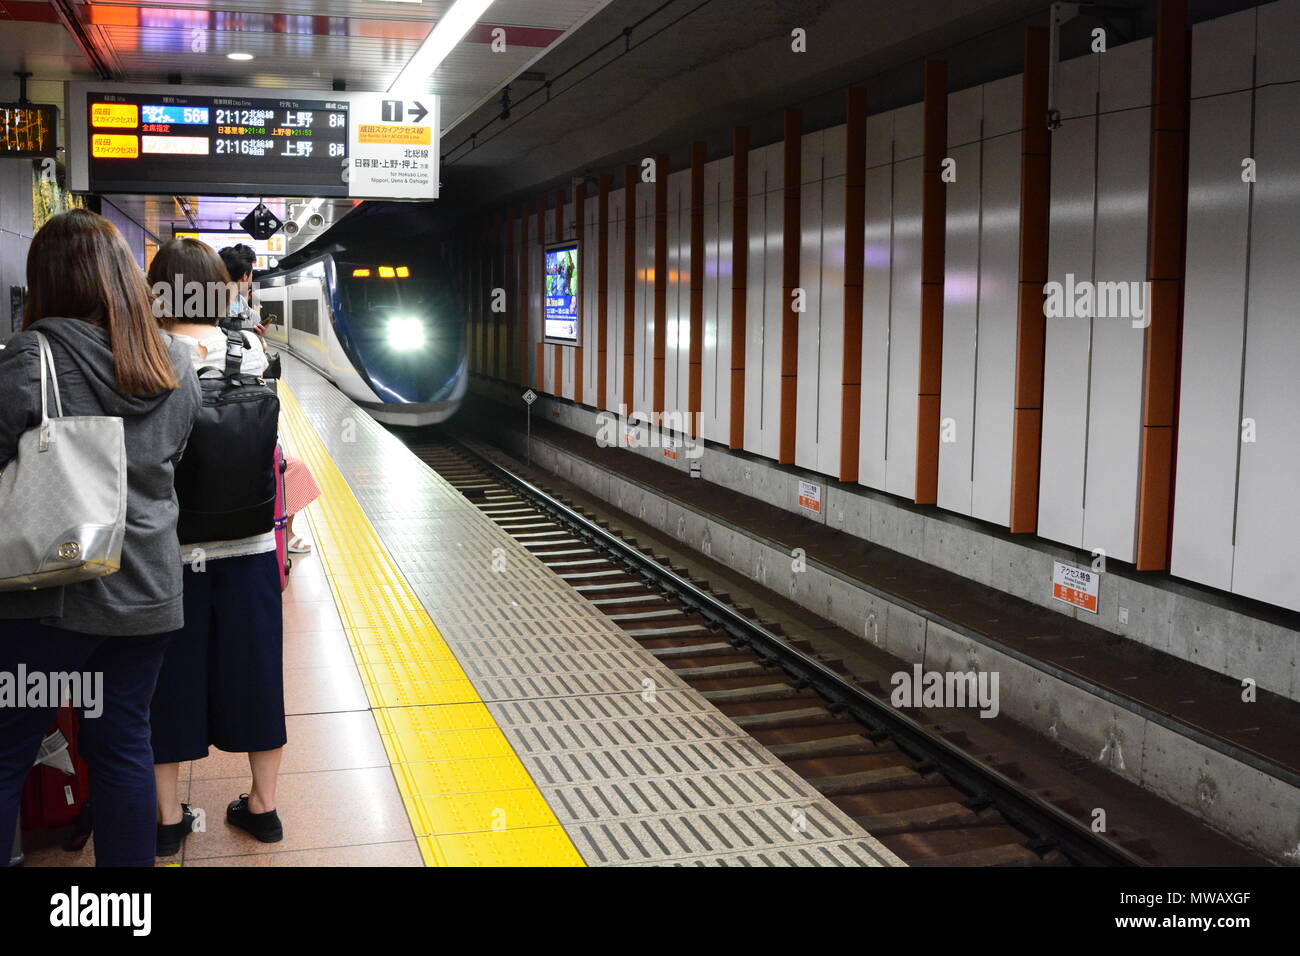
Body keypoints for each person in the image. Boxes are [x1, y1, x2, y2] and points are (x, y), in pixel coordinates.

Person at [0, 209, 200, 867]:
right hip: (147, 592)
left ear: (47, 282)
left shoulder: (33, 355)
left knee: (8, 749)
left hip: (50, 594)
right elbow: (172, 454)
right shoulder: (175, 359)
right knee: (122, 747)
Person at [145, 238, 287, 855]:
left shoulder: (146, 353)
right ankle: (263, 808)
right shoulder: (249, 347)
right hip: (250, 540)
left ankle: (169, 818)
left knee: (169, 677)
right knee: (257, 668)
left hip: (172, 548)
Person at [217, 243, 265, 336]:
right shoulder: (250, 317)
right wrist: (257, 340)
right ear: (245, 276)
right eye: (251, 273)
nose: (252, 276)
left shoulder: (205, 301)